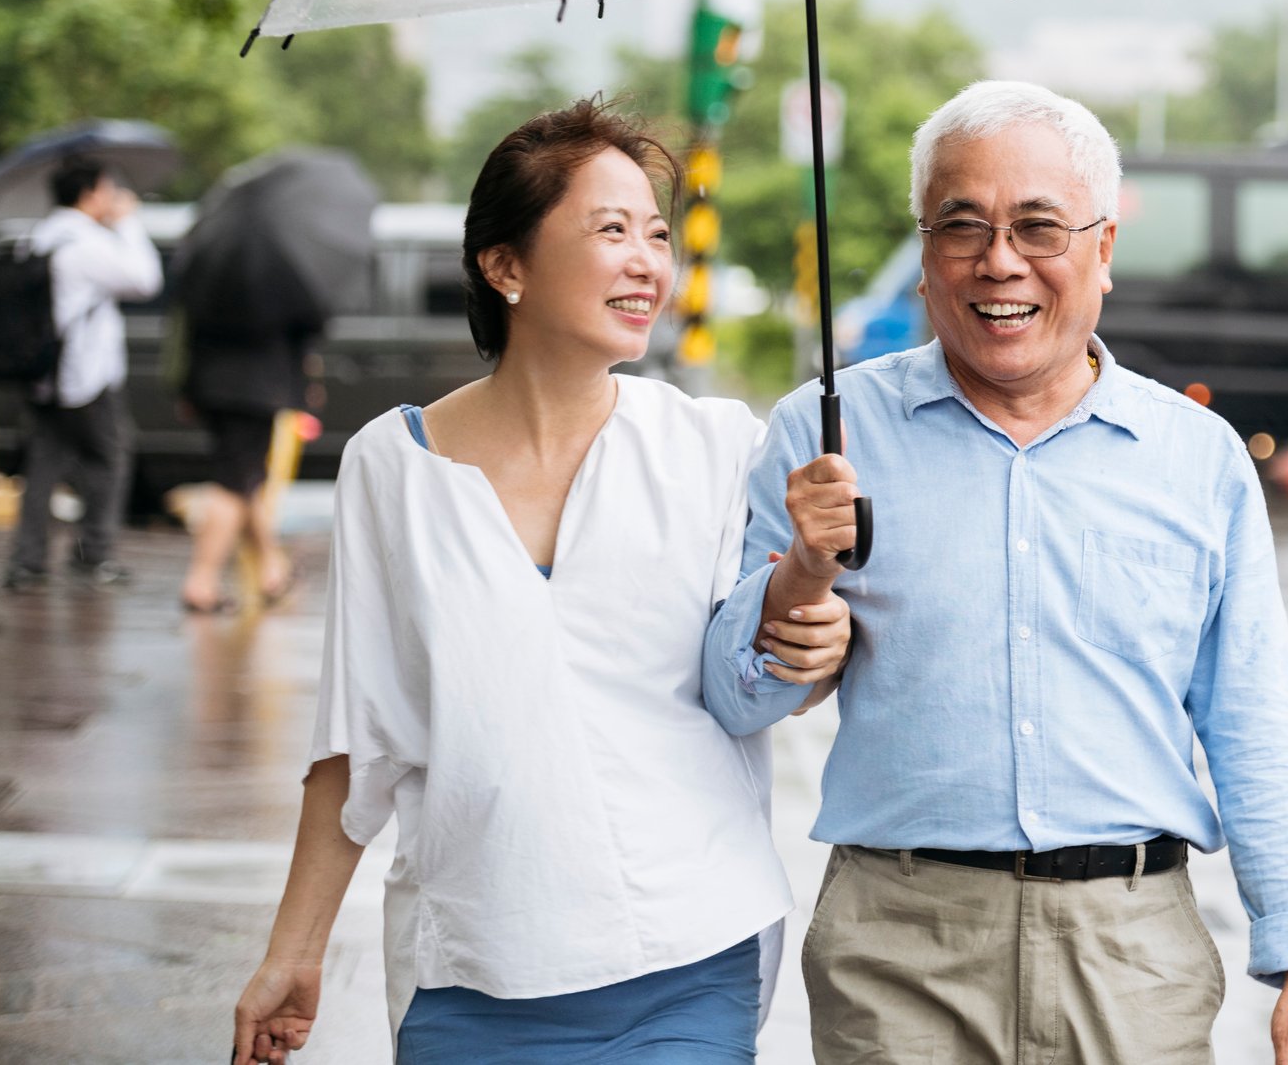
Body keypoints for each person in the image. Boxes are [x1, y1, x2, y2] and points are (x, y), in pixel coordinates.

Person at [704, 81, 1288, 1065]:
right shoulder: (824, 436)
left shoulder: (1196, 456)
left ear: (1102, 249)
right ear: (924, 255)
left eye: (1037, 226)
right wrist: (799, 579)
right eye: (960, 226)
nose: (998, 260)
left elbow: (1255, 718)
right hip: (900, 950)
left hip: (1131, 952)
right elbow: (734, 696)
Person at [229, 101, 857, 1065]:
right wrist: (294, 949)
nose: (649, 261)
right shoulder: (390, 467)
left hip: (689, 949)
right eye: (610, 230)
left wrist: (812, 629)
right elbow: (361, 739)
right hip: (476, 964)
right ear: (504, 265)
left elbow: (762, 674)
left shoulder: (718, 446)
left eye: (656, 233)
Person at [3, 155, 162, 591]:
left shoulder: (38, 238)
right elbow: (146, 280)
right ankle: (95, 554)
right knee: (110, 458)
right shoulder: (87, 244)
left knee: (43, 467)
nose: (112, 199)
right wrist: (128, 223)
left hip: (42, 376)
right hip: (85, 376)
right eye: (107, 191)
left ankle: (28, 561)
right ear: (90, 194)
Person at [174, 319, 320, 613]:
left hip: (213, 386)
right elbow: (308, 320)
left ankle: (273, 569)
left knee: (245, 478)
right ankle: (201, 583)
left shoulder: (202, 273)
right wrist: (302, 382)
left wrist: (185, 385)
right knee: (234, 484)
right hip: (257, 391)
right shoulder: (268, 275)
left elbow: (182, 328)